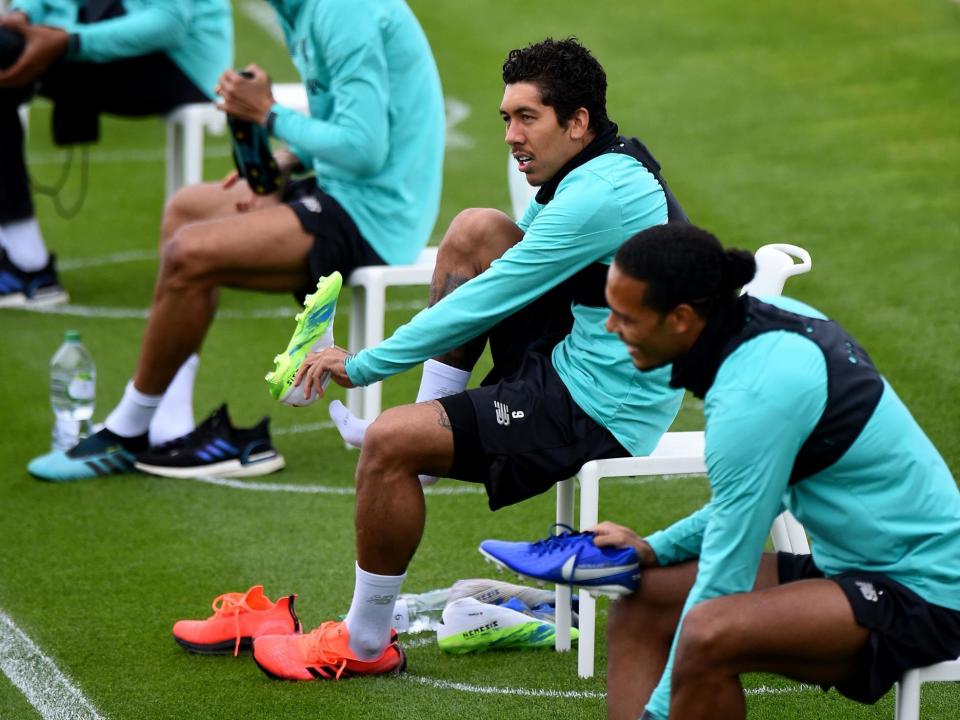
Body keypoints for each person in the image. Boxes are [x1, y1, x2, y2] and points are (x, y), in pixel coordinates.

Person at [246, 37, 691, 681]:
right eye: (506, 118)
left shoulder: (599, 196)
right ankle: (427, 430)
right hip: (578, 351)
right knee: (476, 228)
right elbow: (499, 278)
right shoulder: (598, 166)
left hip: (602, 404)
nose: (512, 135)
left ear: (578, 122)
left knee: (391, 444)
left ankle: (364, 643)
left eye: (527, 118)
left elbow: (486, 299)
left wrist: (363, 364)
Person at [26, 0, 445, 481]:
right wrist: (286, 160)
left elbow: (364, 148)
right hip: (339, 189)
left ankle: (128, 429)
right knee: (187, 209)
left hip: (375, 217)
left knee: (191, 252)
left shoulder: (340, 10)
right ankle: (168, 420)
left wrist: (267, 114)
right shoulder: (301, 10)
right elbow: (340, 118)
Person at [588, 224, 960, 719]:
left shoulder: (753, 395)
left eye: (625, 317)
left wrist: (655, 716)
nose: (612, 328)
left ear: (680, 318)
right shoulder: (768, 327)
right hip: (846, 566)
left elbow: (727, 573)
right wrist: (654, 549)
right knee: (643, 596)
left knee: (707, 631)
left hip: (923, 592)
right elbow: (738, 509)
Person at [0, 0, 233, 306]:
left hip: (182, 62)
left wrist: (71, 41)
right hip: (98, 35)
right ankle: (25, 259)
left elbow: (169, 24)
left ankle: (27, 264)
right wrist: (24, 14)